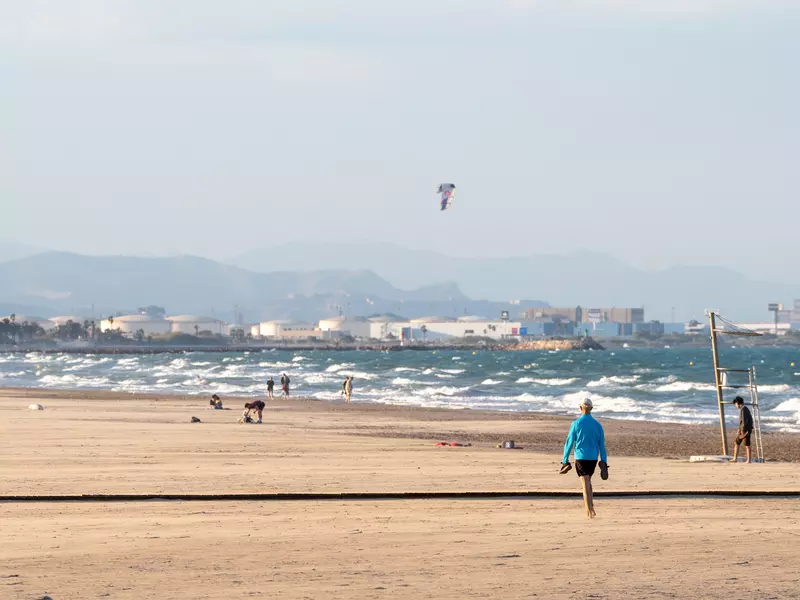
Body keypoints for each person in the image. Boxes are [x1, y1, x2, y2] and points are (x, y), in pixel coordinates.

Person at [560, 398, 609, 519]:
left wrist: (565, 460)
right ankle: (591, 506)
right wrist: (604, 461)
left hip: (581, 457)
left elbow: (569, 442)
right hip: (593, 458)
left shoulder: (576, 424)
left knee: (585, 483)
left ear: (580, 408)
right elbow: (601, 445)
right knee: (588, 481)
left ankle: (589, 510)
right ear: (591, 409)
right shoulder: (598, 425)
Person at [732, 396, 754, 463]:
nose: (735, 405)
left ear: (737, 403)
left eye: (735, 404)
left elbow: (744, 421)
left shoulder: (744, 409)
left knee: (747, 445)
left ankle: (749, 460)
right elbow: (742, 421)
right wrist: (739, 428)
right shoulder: (743, 408)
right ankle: (735, 459)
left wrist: (742, 431)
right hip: (743, 429)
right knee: (736, 442)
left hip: (745, 430)